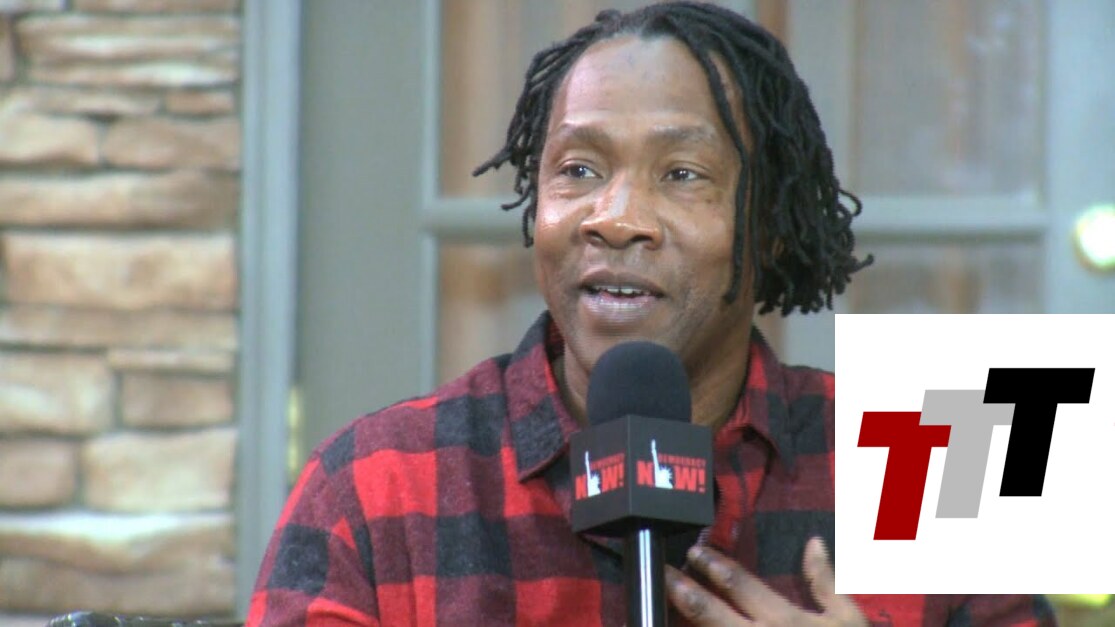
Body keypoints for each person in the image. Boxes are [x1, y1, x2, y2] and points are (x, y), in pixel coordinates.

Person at [248, 3, 1056, 625]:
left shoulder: (936, 455)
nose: (615, 217)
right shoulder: (374, 484)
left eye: (681, 173)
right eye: (578, 169)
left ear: (769, 223)